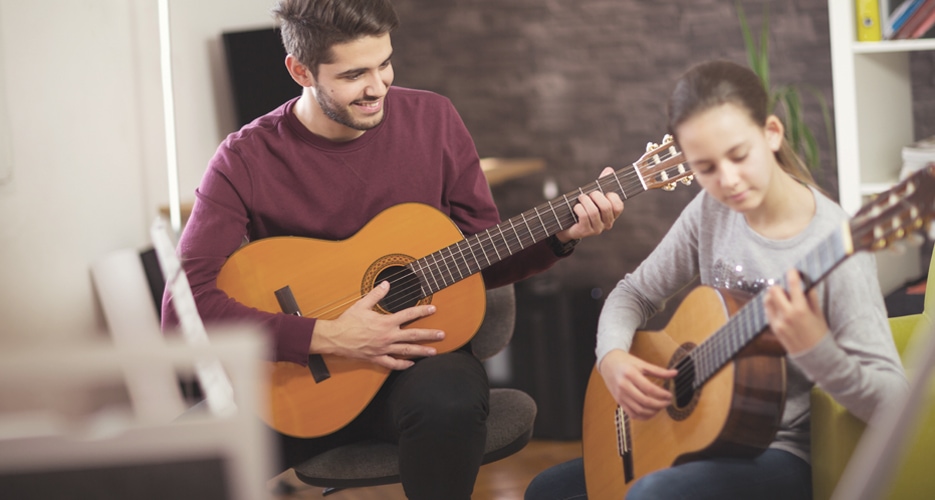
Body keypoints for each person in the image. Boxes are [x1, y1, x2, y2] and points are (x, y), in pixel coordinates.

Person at [160, 1, 624, 499]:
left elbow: (481, 254)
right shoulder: (244, 158)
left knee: (449, 402)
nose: (378, 87)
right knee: (163, 469)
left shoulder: (434, 119)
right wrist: (329, 336)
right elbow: (182, 313)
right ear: (300, 71)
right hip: (300, 380)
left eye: (384, 64)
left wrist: (560, 237)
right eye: (355, 73)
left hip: (422, 362)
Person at [525, 59, 909, 500]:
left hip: (779, 454)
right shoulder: (711, 211)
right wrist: (611, 356)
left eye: (739, 155)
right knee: (547, 490)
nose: (727, 181)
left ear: (772, 133)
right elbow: (633, 292)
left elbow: (894, 403)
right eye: (705, 168)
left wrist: (816, 349)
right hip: (694, 434)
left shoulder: (836, 246)